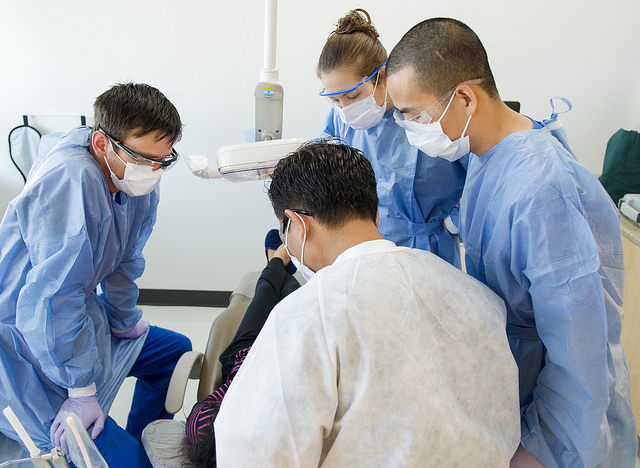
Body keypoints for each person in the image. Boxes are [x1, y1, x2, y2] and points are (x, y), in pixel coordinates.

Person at [385, 18, 638, 467]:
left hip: (563, 423)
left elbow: (578, 353)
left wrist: (541, 450)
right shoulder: (489, 155)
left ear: (463, 97)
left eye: (415, 116)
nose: (410, 130)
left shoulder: (541, 189)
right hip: (517, 386)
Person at [214, 140, 520, 467]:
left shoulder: (307, 312)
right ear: (375, 216)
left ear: (297, 225)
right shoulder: (472, 292)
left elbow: (254, 452)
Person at [0, 83, 192, 467]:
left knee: (173, 349)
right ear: (103, 143)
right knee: (113, 455)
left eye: (163, 159)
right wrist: (81, 390)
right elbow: (55, 296)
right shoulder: (69, 180)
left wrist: (123, 319)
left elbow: (125, 259)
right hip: (26, 333)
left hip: (77, 314)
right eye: (144, 158)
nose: (153, 171)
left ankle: (143, 439)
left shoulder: (134, 177)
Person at [317, 9, 466, 267]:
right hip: (368, 250)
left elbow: (478, 169)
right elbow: (323, 170)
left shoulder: (424, 114)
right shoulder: (339, 119)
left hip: (429, 252)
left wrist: (456, 221)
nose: (346, 109)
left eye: (353, 97)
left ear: (382, 75)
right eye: (335, 100)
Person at [184, 239, 300, 467]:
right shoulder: (280, 440)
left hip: (247, 355)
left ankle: (277, 259)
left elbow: (216, 399)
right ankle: (279, 260)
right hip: (288, 349)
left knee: (265, 291)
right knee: (294, 294)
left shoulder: (204, 430)